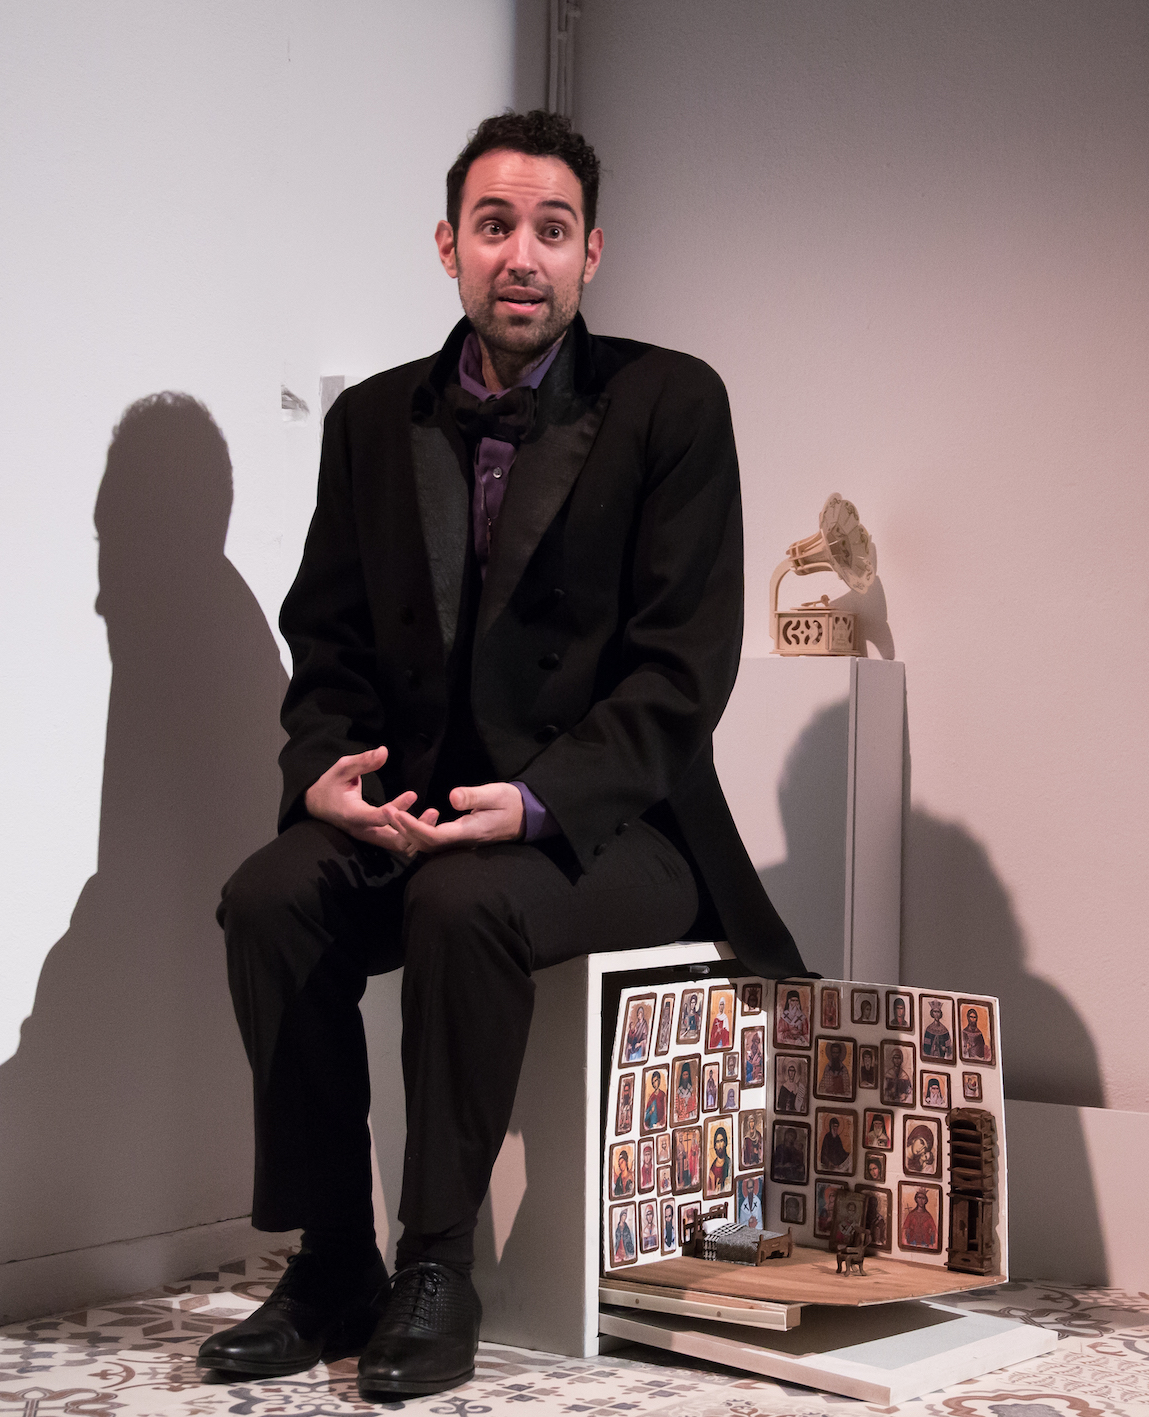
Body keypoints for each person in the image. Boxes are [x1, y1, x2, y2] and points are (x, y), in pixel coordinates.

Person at [200, 110, 804, 1398]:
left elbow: (682, 672)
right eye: (493, 227)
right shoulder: (373, 421)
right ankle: (332, 1263)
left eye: (551, 229)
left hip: (615, 829)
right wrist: (324, 773)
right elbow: (329, 639)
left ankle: (437, 1267)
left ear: (593, 253)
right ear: (448, 247)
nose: (521, 255)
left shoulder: (671, 402)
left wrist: (533, 804)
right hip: (413, 812)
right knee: (268, 897)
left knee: (463, 903)